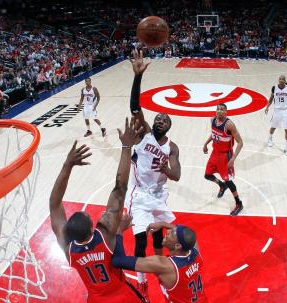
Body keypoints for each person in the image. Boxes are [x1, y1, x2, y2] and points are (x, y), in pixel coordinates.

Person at [49, 117, 145, 303]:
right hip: (121, 295)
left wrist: (66, 166)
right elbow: (120, 189)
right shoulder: (105, 236)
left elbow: (54, 203)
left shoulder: (68, 248)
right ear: (93, 229)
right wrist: (126, 148)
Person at [126, 49, 181, 300]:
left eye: (164, 119)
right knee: (139, 242)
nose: (160, 120)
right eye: (157, 117)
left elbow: (177, 175)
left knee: (159, 240)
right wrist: (137, 77)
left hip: (158, 195)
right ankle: (141, 283)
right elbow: (135, 107)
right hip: (139, 194)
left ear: (169, 126)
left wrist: (166, 169)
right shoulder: (144, 134)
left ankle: (159, 276)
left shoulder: (172, 147)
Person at [112, 215, 209, 303]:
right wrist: (163, 224)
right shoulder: (195, 251)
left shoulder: (164, 265)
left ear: (178, 245)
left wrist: (119, 230)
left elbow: (118, 260)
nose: (167, 231)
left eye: (172, 233)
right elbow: (189, 233)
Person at [203, 103, 244, 216]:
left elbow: (240, 142)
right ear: (215, 111)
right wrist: (206, 143)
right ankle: (221, 185)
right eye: (218, 109)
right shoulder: (212, 120)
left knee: (228, 181)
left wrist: (233, 159)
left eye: (222, 110)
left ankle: (239, 203)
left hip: (225, 156)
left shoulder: (229, 125)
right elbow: (214, 134)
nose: (220, 111)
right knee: (207, 175)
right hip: (214, 153)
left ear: (226, 112)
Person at [264, 75, 287, 156]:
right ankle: (270, 139)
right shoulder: (274, 88)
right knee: (273, 127)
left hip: (285, 111)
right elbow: (271, 98)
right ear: (278, 80)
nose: (281, 80)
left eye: (283, 79)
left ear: (285, 80)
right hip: (277, 111)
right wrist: (267, 106)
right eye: (280, 79)